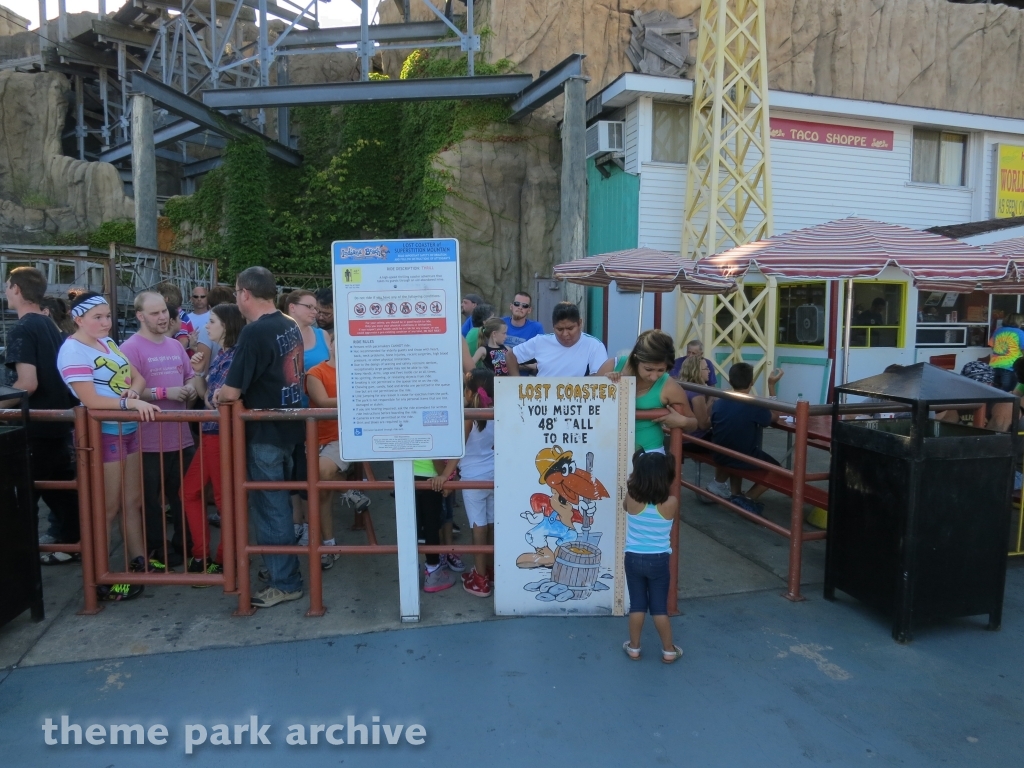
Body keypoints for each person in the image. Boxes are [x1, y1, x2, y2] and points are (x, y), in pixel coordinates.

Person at [57, 290, 160, 600]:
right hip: (103, 432)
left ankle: (138, 563)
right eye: (97, 317)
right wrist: (130, 403)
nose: (106, 322)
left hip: (125, 428)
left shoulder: (108, 343)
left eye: (107, 316)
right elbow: (89, 400)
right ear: (78, 319)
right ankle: (100, 578)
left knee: (132, 501)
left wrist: (132, 395)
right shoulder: (72, 350)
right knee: (107, 507)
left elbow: (138, 378)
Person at [215, 266, 305, 609]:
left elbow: (231, 391)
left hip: (264, 432)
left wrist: (217, 394)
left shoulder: (255, 332)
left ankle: (285, 581)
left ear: (244, 294)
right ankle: (281, 570)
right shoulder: (289, 323)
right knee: (278, 506)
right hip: (289, 427)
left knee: (271, 509)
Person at [2, 268, 80, 562]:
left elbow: (27, 384)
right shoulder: (50, 324)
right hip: (58, 425)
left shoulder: (22, 329)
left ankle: (21, 565)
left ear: (16, 289)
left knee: (21, 500)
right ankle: (71, 547)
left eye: (7, 286)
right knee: (62, 495)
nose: (6, 291)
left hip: (35, 429)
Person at [122, 292, 198, 569]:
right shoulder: (129, 348)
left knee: (184, 495)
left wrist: (190, 388)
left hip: (181, 436)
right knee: (149, 501)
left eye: (164, 311)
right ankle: (156, 549)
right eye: (155, 313)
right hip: (146, 439)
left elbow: (190, 376)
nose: (163, 317)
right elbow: (126, 393)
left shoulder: (175, 345)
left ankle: (185, 544)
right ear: (140, 316)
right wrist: (166, 392)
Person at [180, 303, 245, 580]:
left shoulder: (232, 357)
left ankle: (220, 560)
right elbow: (208, 397)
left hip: (219, 435)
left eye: (212, 321)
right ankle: (207, 556)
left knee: (221, 499)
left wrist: (204, 387)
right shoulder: (224, 355)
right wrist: (197, 373)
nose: (206, 326)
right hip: (213, 433)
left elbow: (214, 400)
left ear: (227, 326)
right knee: (193, 493)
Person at [305, 344, 373, 570]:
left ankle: (328, 545)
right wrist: (356, 398)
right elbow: (322, 401)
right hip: (314, 438)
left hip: (343, 437)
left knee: (322, 472)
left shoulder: (357, 370)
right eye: (337, 340)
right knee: (322, 493)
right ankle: (329, 545)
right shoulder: (315, 372)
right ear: (331, 345)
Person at [435, 369, 495, 597]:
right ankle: (490, 570)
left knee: (478, 527)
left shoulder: (469, 416)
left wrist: (445, 475)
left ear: (469, 392)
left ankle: (480, 579)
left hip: (473, 479)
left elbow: (458, 450)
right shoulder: (496, 412)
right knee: (491, 524)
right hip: (494, 475)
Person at [621, 449, 683, 663]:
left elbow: (625, 507)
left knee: (637, 605)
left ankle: (634, 647)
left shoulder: (632, 498)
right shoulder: (671, 503)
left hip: (633, 558)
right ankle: (668, 650)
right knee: (659, 608)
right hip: (658, 560)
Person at [597, 330, 698, 452]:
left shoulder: (669, 385)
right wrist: (604, 384)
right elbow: (587, 407)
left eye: (661, 370)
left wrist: (682, 421)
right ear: (636, 359)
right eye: (648, 369)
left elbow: (694, 423)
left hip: (649, 452)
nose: (654, 377)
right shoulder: (611, 366)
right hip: (607, 447)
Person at [706, 362, 784, 517]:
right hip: (741, 456)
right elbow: (775, 416)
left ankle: (736, 493)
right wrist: (771, 386)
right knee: (779, 472)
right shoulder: (754, 405)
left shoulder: (719, 403)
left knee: (737, 446)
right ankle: (747, 498)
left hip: (719, 454)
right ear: (751, 382)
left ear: (730, 381)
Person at [286, 289, 331, 547]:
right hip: (291, 413)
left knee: (309, 470)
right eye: (310, 307)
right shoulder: (282, 335)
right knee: (293, 468)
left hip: (318, 414)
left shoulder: (323, 335)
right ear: (292, 307)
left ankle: (310, 526)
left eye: (316, 307)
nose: (316, 312)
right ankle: (298, 521)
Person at [508, 302, 608, 377]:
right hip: (542, 397)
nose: (565, 334)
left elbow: (599, 376)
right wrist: (517, 383)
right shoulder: (540, 341)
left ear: (580, 323)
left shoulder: (594, 345)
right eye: (559, 329)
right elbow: (510, 355)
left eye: (570, 328)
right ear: (553, 326)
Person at [191, 285, 234, 376]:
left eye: (212, 322)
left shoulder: (206, 330)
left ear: (210, 307)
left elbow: (204, 371)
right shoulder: (244, 328)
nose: (208, 326)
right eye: (196, 296)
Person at [676, 353, 714, 447]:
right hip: (695, 440)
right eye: (706, 368)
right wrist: (712, 402)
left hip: (681, 438)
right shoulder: (696, 392)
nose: (709, 371)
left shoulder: (682, 387)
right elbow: (703, 425)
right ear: (697, 371)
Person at [501, 292, 544, 374]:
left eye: (525, 306)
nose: (520, 307)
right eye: (517, 304)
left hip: (524, 378)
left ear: (529, 310)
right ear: (511, 306)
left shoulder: (536, 328)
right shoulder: (500, 323)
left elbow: (541, 358)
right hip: (499, 376)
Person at [155, 282, 195, 355]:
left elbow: (183, 341)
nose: (156, 300)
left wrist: (172, 358)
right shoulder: (178, 313)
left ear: (166, 299)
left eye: (158, 297)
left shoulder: (178, 316)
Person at [989, 313, 1024, 392]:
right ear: (1018, 321)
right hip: (1010, 366)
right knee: (1007, 393)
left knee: (994, 391)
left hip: (994, 365)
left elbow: (992, 346)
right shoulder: (1019, 332)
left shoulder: (998, 330)